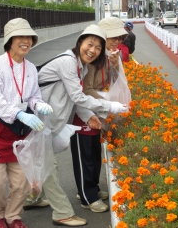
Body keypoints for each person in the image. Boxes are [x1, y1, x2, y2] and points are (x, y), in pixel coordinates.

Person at [25, 24, 128, 226]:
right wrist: (110, 106)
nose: (93, 50)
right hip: (37, 119)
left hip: (48, 121)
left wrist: (89, 115)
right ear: (80, 42)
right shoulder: (67, 62)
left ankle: (31, 197)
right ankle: (62, 212)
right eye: (90, 44)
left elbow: (75, 99)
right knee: (48, 167)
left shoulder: (79, 65)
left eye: (98, 48)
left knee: (36, 163)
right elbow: (78, 96)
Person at [0, 18, 53, 228]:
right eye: (20, 37)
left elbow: (33, 96)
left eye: (29, 37)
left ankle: (13, 216)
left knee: (20, 182)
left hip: (19, 131)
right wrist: (20, 113)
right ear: (9, 40)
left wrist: (39, 106)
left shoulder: (31, 68)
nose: (26, 41)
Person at [70, 17, 128, 213]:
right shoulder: (91, 60)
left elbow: (113, 81)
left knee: (94, 154)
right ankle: (87, 196)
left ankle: (92, 188)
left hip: (96, 110)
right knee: (84, 155)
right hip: (83, 113)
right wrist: (107, 102)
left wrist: (116, 64)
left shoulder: (105, 57)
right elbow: (85, 90)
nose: (116, 41)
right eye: (113, 37)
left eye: (119, 38)